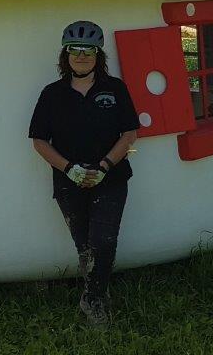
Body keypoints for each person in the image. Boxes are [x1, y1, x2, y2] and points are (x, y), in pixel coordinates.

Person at [28, 20, 140, 325]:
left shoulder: (114, 89)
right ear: (65, 55)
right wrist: (69, 169)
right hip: (69, 182)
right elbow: (39, 141)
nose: (81, 55)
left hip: (111, 179)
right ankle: (99, 292)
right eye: (74, 50)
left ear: (98, 55)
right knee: (85, 247)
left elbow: (129, 133)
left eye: (87, 50)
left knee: (103, 241)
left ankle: (92, 301)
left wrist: (103, 167)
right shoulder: (52, 94)